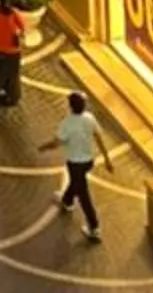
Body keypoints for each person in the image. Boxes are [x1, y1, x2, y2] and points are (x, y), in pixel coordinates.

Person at [45, 90, 112, 239]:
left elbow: (57, 142)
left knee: (84, 196)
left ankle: (94, 227)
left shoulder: (67, 123)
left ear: (70, 106)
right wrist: (107, 159)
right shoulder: (90, 118)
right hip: (88, 161)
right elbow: (98, 137)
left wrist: (43, 147)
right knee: (77, 183)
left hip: (75, 163)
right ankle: (67, 200)